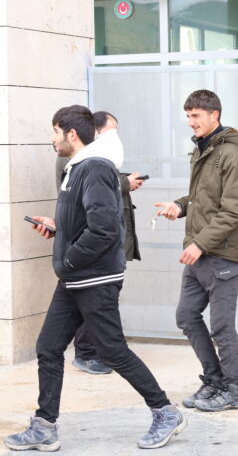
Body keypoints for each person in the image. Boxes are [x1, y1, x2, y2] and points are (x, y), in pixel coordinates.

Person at [4, 105, 185, 452]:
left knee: (112, 350)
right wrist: (59, 229)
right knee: (48, 347)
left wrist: (69, 258)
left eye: (55, 132)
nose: (52, 139)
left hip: (93, 278)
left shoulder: (95, 168)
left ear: (71, 134)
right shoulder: (76, 169)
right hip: (75, 277)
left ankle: (165, 412)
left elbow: (104, 230)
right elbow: (86, 222)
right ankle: (44, 426)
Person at [155, 89, 238, 412]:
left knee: (222, 326)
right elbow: (203, 198)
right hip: (200, 250)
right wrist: (180, 206)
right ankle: (214, 380)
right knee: (186, 315)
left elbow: (234, 210)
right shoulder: (203, 149)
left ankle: (235, 390)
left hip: (221, 253)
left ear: (215, 115)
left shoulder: (232, 155)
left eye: (195, 116)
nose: (190, 122)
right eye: (188, 115)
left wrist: (200, 243)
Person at [55, 111, 146, 375]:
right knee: (57, 341)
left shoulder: (93, 162)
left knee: (96, 327)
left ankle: (97, 353)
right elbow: (98, 224)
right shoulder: (82, 162)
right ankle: (88, 354)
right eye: (110, 130)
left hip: (92, 259)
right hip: (86, 261)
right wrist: (70, 259)